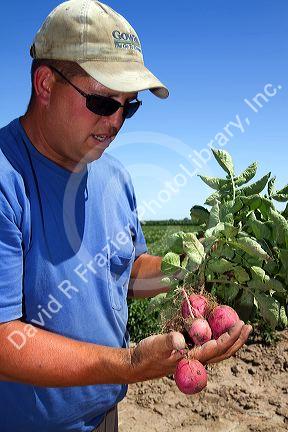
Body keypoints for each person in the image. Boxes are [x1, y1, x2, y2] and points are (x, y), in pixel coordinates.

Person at [0, 1, 252, 431]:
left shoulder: (114, 175)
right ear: (45, 84)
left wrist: (192, 269)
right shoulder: (8, 179)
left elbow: (126, 273)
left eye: (128, 107)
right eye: (101, 101)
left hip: (104, 417)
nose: (116, 121)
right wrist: (131, 362)